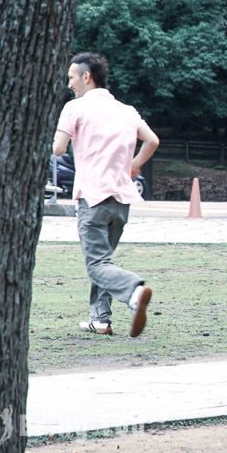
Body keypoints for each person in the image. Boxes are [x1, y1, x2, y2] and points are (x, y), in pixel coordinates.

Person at [52, 52, 159, 338]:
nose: (70, 84)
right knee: (104, 260)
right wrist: (134, 166)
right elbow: (152, 140)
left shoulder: (74, 108)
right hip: (122, 202)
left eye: (71, 78)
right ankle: (100, 320)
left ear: (86, 76)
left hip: (93, 198)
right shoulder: (126, 110)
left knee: (97, 265)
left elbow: (59, 149)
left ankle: (135, 293)